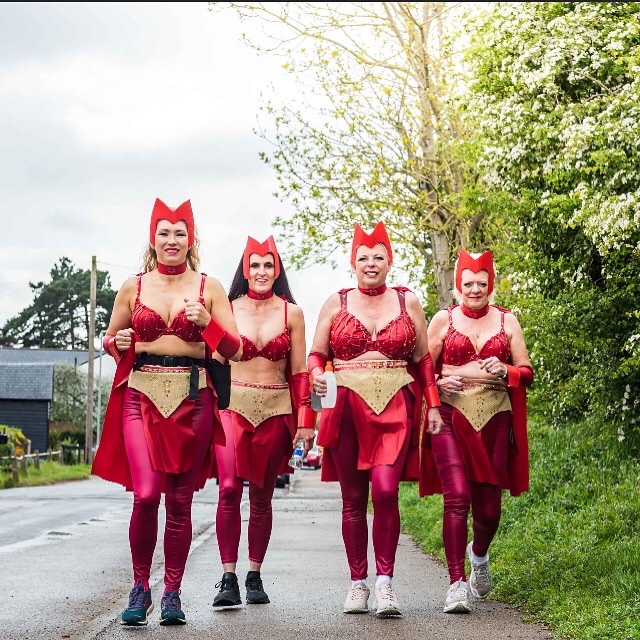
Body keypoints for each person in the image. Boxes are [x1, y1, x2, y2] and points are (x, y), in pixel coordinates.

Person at [91, 198, 243, 626]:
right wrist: (115, 344)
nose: (172, 240)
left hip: (193, 397)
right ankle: (141, 587)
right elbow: (111, 337)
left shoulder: (209, 287)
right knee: (145, 495)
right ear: (152, 238)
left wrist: (208, 322)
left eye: (180, 232)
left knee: (179, 502)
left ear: (190, 238)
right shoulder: (132, 286)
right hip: (140, 395)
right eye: (164, 232)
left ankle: (172, 591)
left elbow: (234, 348)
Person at [308, 221, 443, 618]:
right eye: (363, 257)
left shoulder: (408, 302)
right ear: (353, 262)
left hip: (395, 404)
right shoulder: (336, 302)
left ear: (390, 260)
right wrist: (317, 375)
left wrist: (433, 405)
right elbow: (316, 354)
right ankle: (358, 583)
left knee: (385, 492)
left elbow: (422, 359)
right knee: (352, 499)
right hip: (346, 404)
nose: (371, 263)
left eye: (378, 257)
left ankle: (385, 582)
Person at [423, 248, 533, 614]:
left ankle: (479, 556)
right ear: (458, 285)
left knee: (489, 512)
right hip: (451, 419)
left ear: (491, 285)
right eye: (468, 283)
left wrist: (506, 371)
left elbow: (527, 373)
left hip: (495, 419)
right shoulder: (442, 320)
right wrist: (439, 384)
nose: (475, 289)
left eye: (481, 284)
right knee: (456, 498)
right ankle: (455, 584)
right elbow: (420, 369)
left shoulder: (508, 321)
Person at [211, 235, 316, 608]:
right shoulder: (227, 307)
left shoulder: (293, 313)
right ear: (244, 269)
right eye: (254, 265)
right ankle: (227, 578)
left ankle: (253, 575)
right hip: (232, 408)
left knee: (261, 496)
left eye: (268, 265)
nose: (261, 271)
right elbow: (214, 363)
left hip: (276, 408)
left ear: (277, 269)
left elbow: (301, 371)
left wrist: (307, 420)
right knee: (228, 490)